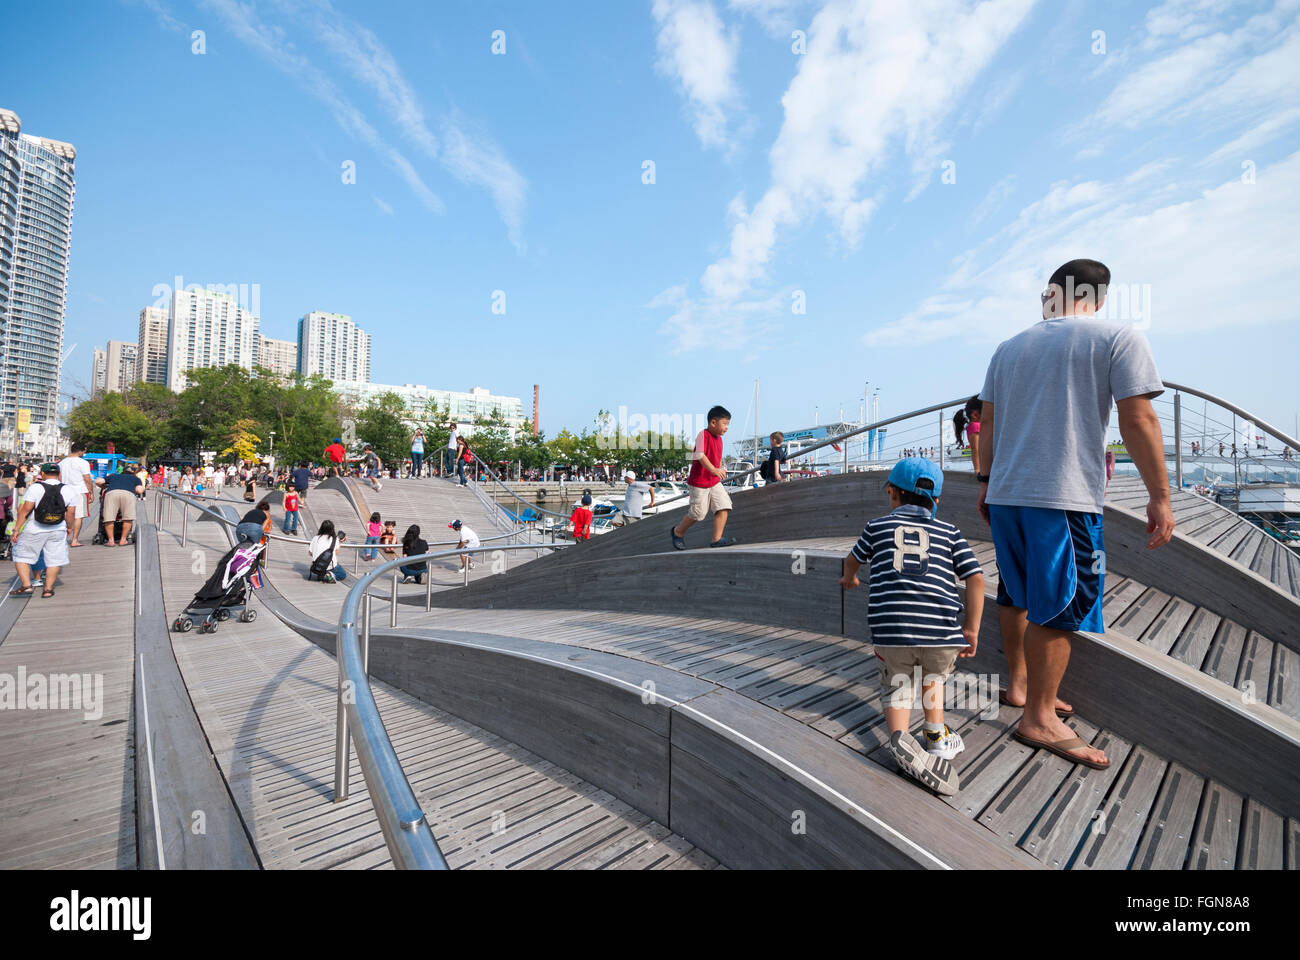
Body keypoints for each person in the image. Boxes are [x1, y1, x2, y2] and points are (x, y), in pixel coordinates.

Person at [977, 258, 1173, 771]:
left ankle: (1021, 686)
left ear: (1050, 294)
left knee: (1016, 591)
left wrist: (986, 482)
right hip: (1060, 497)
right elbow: (1138, 417)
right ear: (1100, 297)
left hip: (1006, 494)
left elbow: (988, 423)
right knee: (1064, 603)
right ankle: (1040, 717)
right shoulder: (1118, 337)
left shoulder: (1008, 348)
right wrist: (1160, 495)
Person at [839, 457, 983, 795]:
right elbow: (975, 578)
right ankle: (935, 735)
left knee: (897, 686)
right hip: (941, 633)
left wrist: (850, 579)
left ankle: (899, 738)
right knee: (933, 679)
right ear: (937, 501)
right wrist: (971, 629)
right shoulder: (949, 531)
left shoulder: (876, 527)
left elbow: (852, 560)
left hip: (892, 632)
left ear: (892, 492)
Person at [671, 405, 735, 549]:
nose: (727, 427)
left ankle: (716, 539)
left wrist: (719, 467)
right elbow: (700, 454)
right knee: (698, 514)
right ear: (713, 422)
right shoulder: (703, 435)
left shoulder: (719, 439)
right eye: (724, 424)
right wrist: (713, 469)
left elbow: (716, 456)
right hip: (699, 482)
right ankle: (678, 532)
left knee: (724, 506)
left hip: (713, 482)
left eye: (728, 424)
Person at [9, 463, 76, 598]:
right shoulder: (68, 489)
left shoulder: (36, 487)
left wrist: (17, 529)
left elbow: (25, 511)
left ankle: (27, 586)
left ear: (43, 474)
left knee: (20, 555)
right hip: (58, 528)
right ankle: (48, 589)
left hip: (35, 528)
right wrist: (69, 527)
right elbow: (71, 512)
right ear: (59, 474)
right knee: (54, 559)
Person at [96, 465, 144, 546]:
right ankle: (123, 540)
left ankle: (111, 541)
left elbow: (98, 481)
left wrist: (103, 487)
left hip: (112, 493)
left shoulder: (114, 476)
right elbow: (139, 490)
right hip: (128, 494)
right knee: (128, 518)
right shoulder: (136, 478)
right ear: (133, 473)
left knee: (109, 518)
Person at [58, 442, 93, 548]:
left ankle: (62, 539)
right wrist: (91, 492)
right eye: (84, 451)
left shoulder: (62, 463)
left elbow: (59, 477)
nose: (84, 453)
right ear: (80, 451)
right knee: (78, 516)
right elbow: (87, 478)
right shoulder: (83, 463)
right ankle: (74, 540)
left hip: (64, 491)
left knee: (64, 515)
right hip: (79, 491)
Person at [952, 396, 983, 476]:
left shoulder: (974, 426)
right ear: (975, 415)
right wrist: (978, 470)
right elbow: (975, 449)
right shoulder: (975, 426)